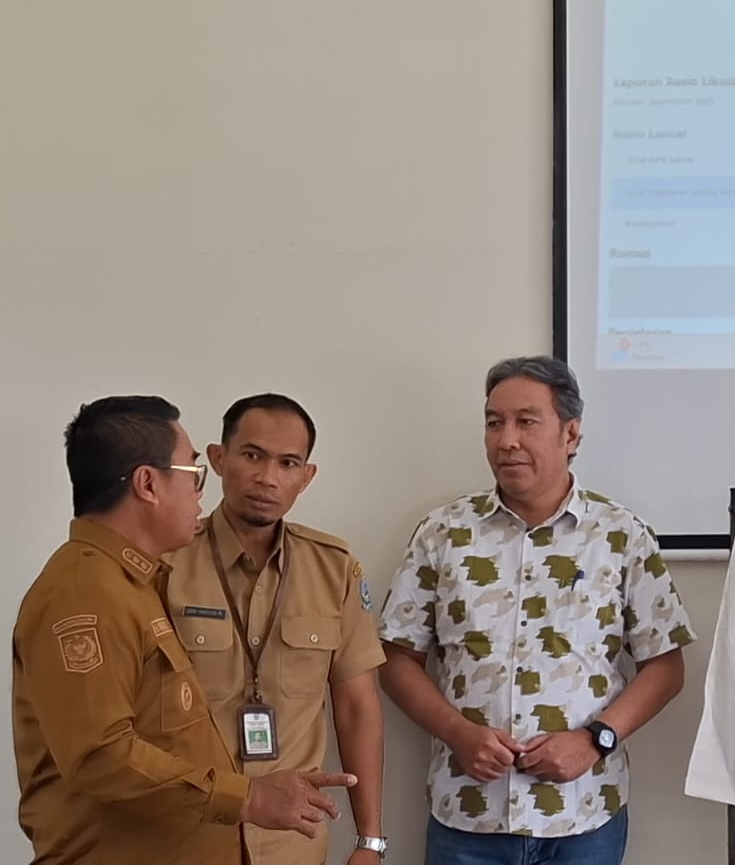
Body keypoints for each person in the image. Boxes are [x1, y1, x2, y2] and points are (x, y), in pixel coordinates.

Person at [12, 395, 358, 865]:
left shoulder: (132, 582)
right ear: (148, 484)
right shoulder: (85, 594)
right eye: (193, 474)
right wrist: (248, 796)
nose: (200, 492)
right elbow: (99, 756)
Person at [378, 356, 696, 865]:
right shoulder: (443, 533)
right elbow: (396, 658)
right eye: (494, 423)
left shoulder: (620, 535)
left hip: (584, 815)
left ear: (570, 434)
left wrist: (595, 740)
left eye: (526, 422)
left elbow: (665, 666)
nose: (507, 440)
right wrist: (458, 733)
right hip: (468, 815)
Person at [162, 393, 389, 865]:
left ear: (306, 476)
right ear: (218, 459)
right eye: (252, 456)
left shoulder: (334, 568)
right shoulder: (165, 563)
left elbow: (357, 708)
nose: (268, 478)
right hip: (187, 837)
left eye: (288, 463)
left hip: (292, 843)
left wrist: (369, 839)